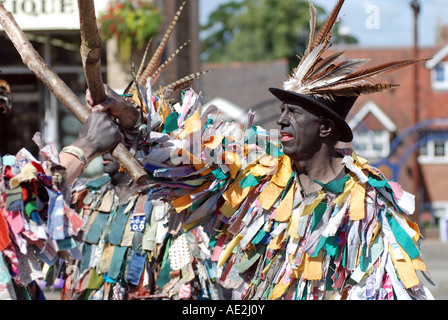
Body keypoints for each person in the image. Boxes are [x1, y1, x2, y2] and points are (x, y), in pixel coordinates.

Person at [76, 0, 435, 300]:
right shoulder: (259, 176)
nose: (281, 120)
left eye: (294, 112)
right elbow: (187, 150)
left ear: (325, 127)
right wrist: (128, 111)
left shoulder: (368, 203)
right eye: (281, 111)